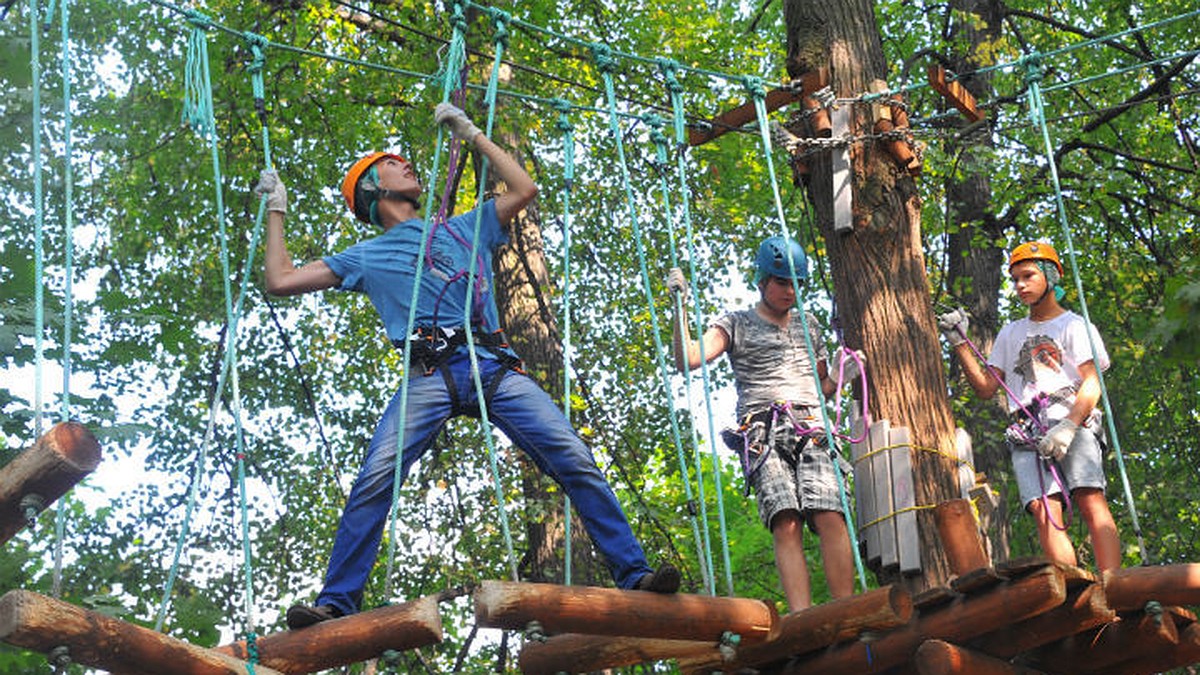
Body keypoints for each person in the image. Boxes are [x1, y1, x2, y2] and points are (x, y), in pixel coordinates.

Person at [256, 102, 680, 630]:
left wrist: (474, 135)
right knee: (375, 478)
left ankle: (633, 574)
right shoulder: (364, 257)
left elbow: (524, 189)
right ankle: (336, 601)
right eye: (393, 164)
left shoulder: (464, 228)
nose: (407, 164)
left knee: (572, 455)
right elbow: (280, 280)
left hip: (490, 365)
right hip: (428, 375)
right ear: (374, 190)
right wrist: (277, 208)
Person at [667, 236, 858, 612]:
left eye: (796, 284)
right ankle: (802, 615)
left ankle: (847, 609)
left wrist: (839, 376)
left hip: (811, 425)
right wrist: (680, 310)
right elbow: (688, 358)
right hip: (763, 430)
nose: (790, 291)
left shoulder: (810, 325)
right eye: (782, 282)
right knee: (785, 520)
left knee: (829, 513)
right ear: (762, 280)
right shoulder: (735, 323)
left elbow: (822, 385)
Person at [937, 241, 1121, 573]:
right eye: (1015, 279)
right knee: (1043, 509)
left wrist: (1069, 426)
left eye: (1028, 276)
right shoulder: (1011, 333)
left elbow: (1092, 383)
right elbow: (985, 387)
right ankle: (1072, 588)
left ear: (1050, 276)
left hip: (1071, 418)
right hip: (1027, 428)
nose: (1020, 285)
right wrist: (959, 342)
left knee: (1089, 497)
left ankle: (1115, 584)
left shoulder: (1074, 326)